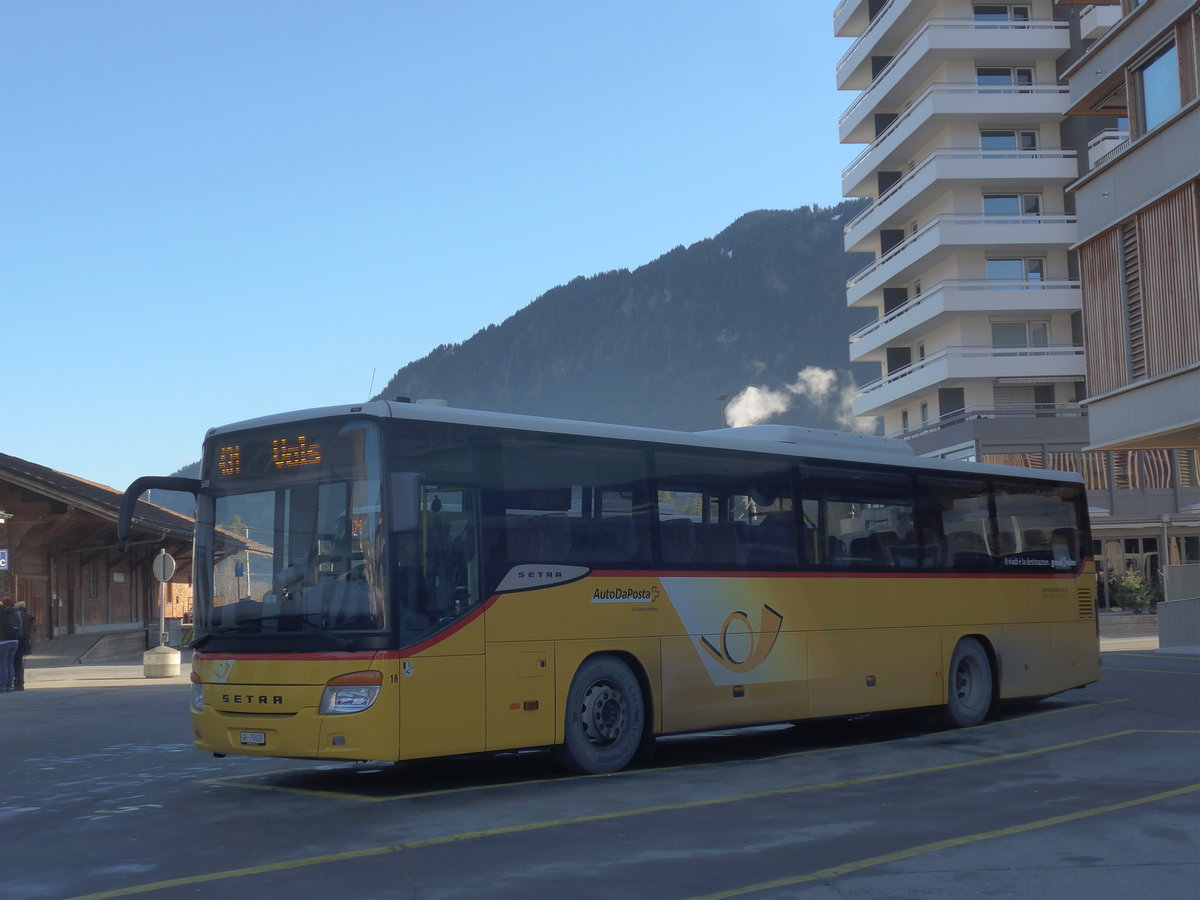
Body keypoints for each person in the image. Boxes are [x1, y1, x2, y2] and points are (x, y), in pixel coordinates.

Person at [11, 599, 33, 691]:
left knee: (12, 661)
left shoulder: (16, 615)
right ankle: (20, 681)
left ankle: (15, 681)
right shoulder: (27, 616)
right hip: (24, 641)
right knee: (19, 661)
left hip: (17, 640)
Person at [0, 598, 19, 693]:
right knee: (10, 663)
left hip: (3, 641)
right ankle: (9, 685)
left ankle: (2, 686)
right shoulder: (15, 612)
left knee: (2, 663)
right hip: (15, 641)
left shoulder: (2, 612)